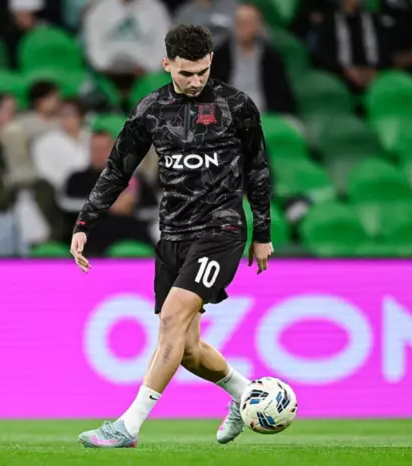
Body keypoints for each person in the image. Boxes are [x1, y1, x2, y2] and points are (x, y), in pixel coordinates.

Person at [71, 24, 273, 448]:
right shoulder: (150, 109)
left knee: (171, 319)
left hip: (221, 230)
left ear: (211, 61)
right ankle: (245, 395)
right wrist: (85, 222)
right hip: (173, 234)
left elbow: (257, 169)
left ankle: (127, 427)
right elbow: (118, 169)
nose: (195, 81)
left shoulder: (236, 106)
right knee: (187, 348)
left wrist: (262, 232)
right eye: (186, 73)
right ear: (167, 64)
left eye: (202, 71)